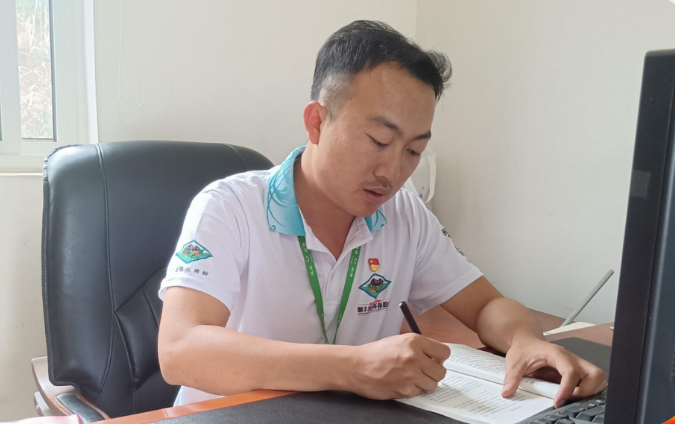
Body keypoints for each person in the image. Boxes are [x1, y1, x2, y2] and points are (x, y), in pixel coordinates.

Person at [157, 20, 607, 408]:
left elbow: (487, 305)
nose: (392, 173)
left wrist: (524, 340)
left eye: (413, 150)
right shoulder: (230, 206)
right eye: (378, 141)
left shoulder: (404, 212)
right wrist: (353, 367)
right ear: (316, 122)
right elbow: (180, 350)